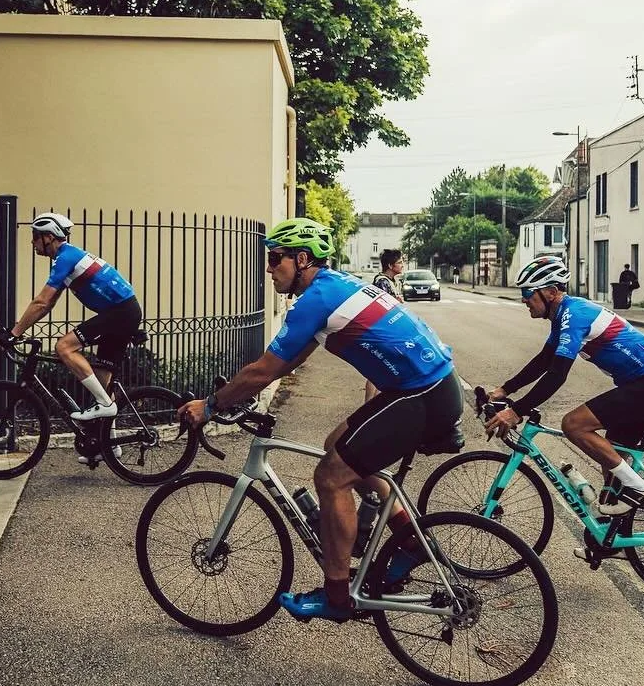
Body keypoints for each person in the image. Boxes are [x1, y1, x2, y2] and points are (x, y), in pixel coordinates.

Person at [177, 218, 466, 622]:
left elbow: (264, 370)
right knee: (336, 444)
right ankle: (411, 542)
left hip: (420, 394)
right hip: (428, 387)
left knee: (331, 476)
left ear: (301, 259)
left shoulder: (316, 300)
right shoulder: (335, 287)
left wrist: (209, 406)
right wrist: (238, 396)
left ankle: (337, 595)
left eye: (274, 258)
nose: (268, 267)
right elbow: (286, 362)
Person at [484, 256, 644, 535]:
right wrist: (505, 390)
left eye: (528, 294)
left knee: (573, 424)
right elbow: (544, 360)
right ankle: (613, 538)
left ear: (550, 292)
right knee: (611, 459)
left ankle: (640, 488)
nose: (524, 300)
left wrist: (516, 411)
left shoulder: (573, 316)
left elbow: (557, 374)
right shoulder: (563, 315)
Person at [0, 212, 142, 465]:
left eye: (35, 238)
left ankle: (104, 405)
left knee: (64, 346)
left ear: (48, 237)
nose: (32, 243)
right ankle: (107, 446)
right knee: (101, 378)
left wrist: (14, 334)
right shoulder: (68, 257)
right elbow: (48, 304)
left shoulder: (66, 257)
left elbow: (41, 301)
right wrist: (21, 329)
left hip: (119, 313)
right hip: (122, 312)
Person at [365, 250, 406, 403]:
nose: (403, 265)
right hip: (381, 331)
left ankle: (374, 404)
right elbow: (380, 307)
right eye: (400, 262)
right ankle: (368, 406)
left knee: (384, 369)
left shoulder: (395, 281)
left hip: (391, 330)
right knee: (377, 368)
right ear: (390, 265)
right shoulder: (382, 281)